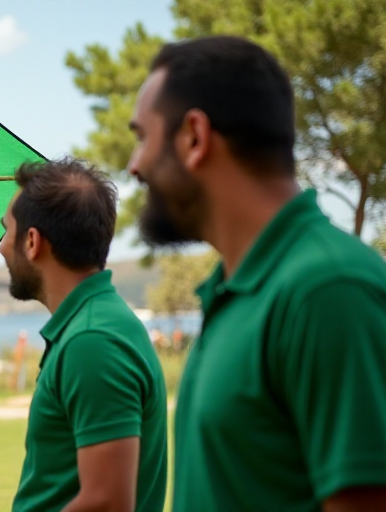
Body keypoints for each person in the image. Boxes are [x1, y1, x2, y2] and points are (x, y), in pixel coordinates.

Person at [127, 36, 386, 512]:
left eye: (143, 137)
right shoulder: (238, 290)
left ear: (194, 137)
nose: (134, 165)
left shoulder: (327, 290)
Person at [2, 158, 167, 512]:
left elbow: (107, 502)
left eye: (6, 230)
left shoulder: (92, 340)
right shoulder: (97, 322)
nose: (2, 247)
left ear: (32, 241)